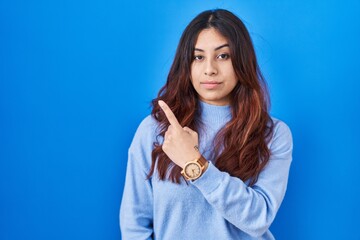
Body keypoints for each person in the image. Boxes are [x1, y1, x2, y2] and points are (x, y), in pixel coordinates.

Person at [120, 9, 293, 240]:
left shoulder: (273, 134)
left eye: (223, 56)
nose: (210, 69)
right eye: (198, 57)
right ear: (187, 64)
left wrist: (194, 163)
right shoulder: (154, 130)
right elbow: (135, 227)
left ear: (242, 61)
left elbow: (258, 218)